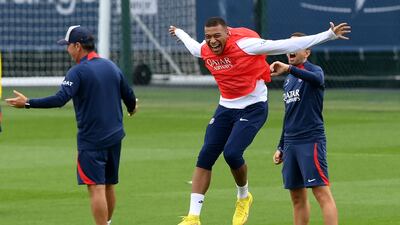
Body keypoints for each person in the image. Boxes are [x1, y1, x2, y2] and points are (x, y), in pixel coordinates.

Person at [169, 17, 350, 225]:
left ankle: (243, 196)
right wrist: (179, 32)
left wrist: (328, 35)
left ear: (227, 32)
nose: (212, 41)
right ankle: (193, 217)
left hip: (256, 109)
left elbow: (285, 44)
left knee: (232, 153)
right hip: (228, 107)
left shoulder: (247, 45)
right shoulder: (205, 48)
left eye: (217, 36)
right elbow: (193, 47)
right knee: (206, 154)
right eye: (208, 36)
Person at [6, 25, 137, 225]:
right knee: (109, 184)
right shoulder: (111, 66)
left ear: (78, 46)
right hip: (115, 136)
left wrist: (28, 103)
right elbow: (129, 97)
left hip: (92, 140)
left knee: (96, 187)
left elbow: (60, 99)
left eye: (68, 46)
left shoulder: (77, 72)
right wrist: (131, 109)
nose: (67, 50)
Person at [271, 32, 338, 225]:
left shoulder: (314, 70)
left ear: (307, 52)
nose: (290, 51)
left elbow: (317, 80)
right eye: (288, 47)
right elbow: (289, 114)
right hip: (291, 143)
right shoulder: (288, 80)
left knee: (321, 193)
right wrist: (281, 145)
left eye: (296, 46)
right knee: (297, 198)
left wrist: (290, 69)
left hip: (310, 140)